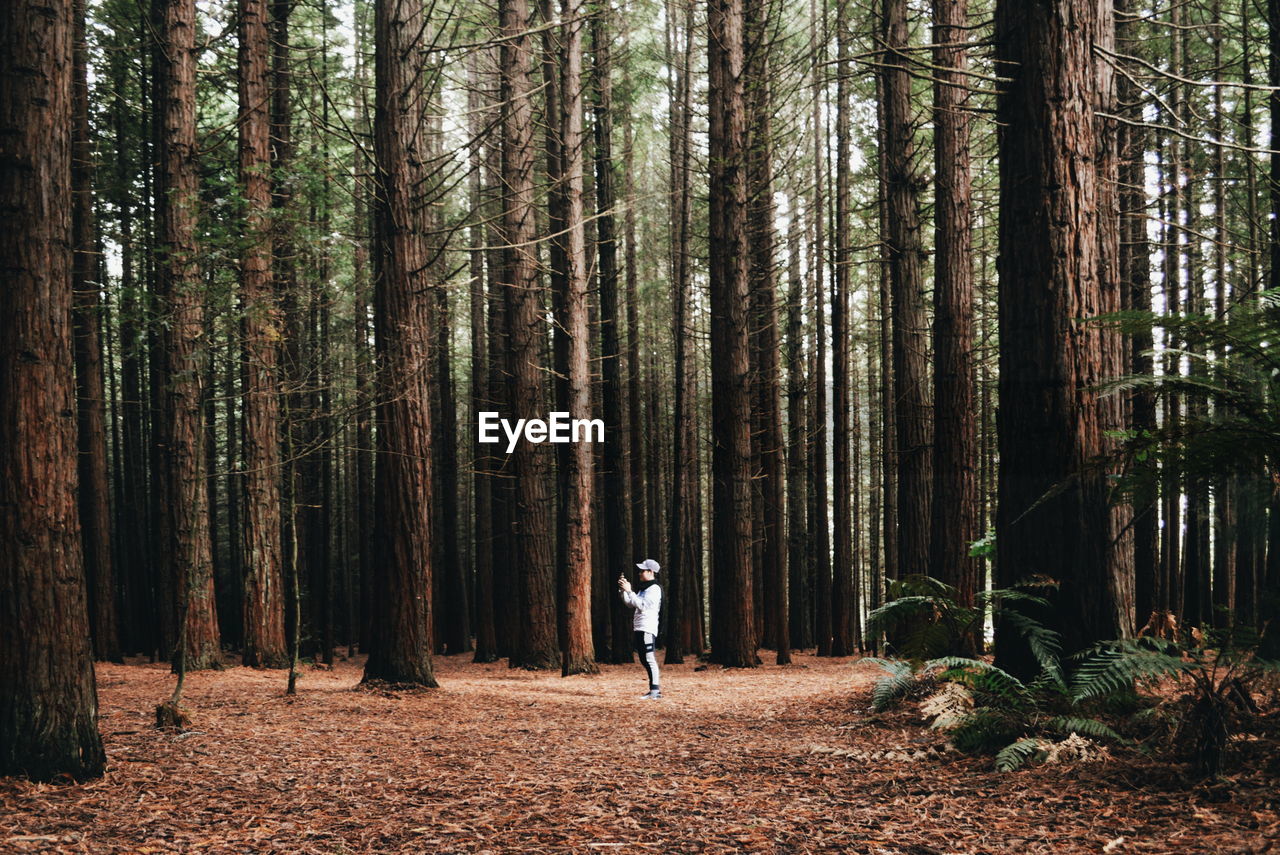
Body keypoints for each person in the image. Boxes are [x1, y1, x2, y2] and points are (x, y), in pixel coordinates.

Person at [619, 559, 663, 699]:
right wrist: (623, 591)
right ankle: (653, 690)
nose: (639, 573)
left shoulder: (654, 589)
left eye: (642, 571)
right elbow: (631, 604)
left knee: (649, 658)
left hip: (647, 628)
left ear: (651, 572)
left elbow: (643, 606)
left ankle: (655, 691)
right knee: (644, 659)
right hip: (640, 627)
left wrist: (629, 591)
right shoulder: (645, 588)